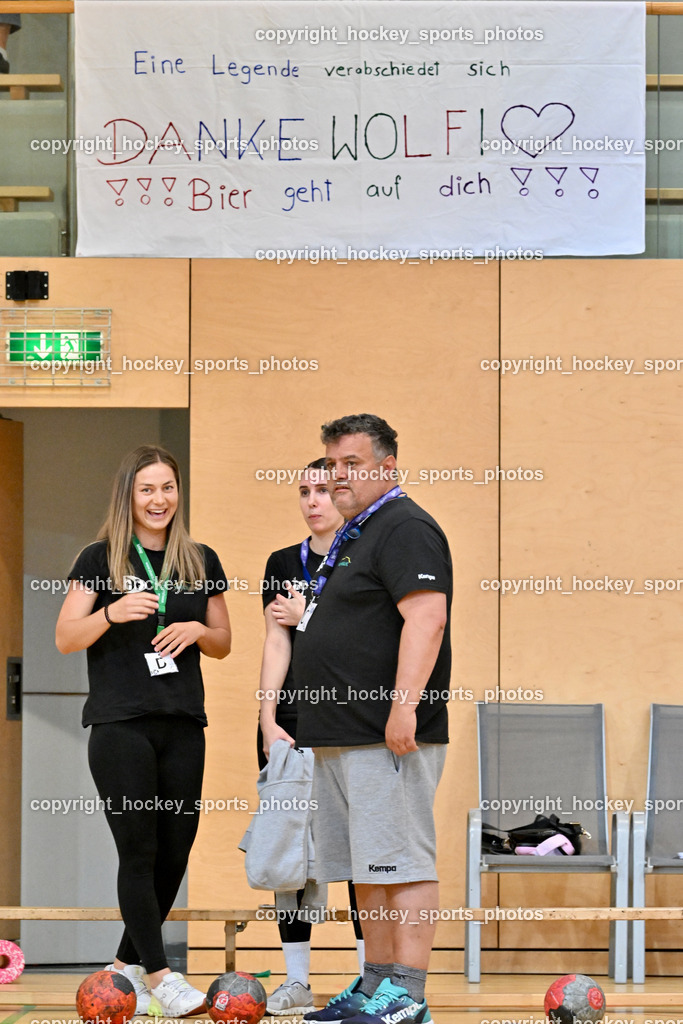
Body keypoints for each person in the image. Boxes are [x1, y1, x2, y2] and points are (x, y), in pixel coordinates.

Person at [56, 444, 231, 1018]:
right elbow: (65, 636)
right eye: (148, 490)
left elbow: (223, 642)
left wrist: (193, 629)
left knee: (175, 851)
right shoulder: (98, 557)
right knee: (139, 847)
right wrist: (108, 614)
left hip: (183, 722)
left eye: (168, 488)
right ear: (129, 496)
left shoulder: (200, 559)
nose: (160, 500)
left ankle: (124, 964)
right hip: (119, 725)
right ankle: (159, 974)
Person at [291, 415, 452, 1024]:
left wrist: (403, 707)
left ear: (387, 467)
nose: (338, 476)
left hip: (385, 732)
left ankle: (408, 993)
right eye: (332, 464)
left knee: (402, 862)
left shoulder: (405, 526)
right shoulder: (358, 531)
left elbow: (426, 619)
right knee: (371, 867)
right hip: (341, 734)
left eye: (351, 464)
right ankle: (375, 982)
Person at [258, 459, 365, 1015]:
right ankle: (297, 979)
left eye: (322, 489)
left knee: (358, 854)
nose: (313, 500)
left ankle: (371, 979)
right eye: (304, 491)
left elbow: (364, 640)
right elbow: (276, 643)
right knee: (290, 855)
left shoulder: (363, 555)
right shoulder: (283, 563)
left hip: (351, 724)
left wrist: (310, 617)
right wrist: (266, 713)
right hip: (292, 725)